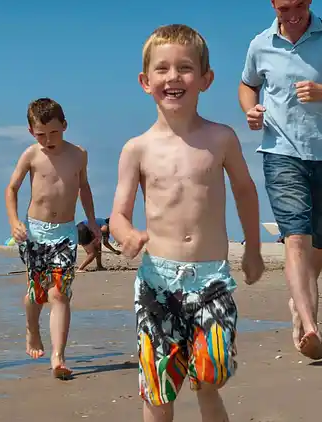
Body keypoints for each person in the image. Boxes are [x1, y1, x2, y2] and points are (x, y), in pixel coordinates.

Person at [109, 24, 264, 422]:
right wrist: (127, 234)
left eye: (185, 68)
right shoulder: (137, 149)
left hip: (211, 280)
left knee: (210, 377)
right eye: (162, 69)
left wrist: (253, 249)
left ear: (206, 79)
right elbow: (118, 215)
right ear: (145, 82)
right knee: (158, 389)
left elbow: (245, 191)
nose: (173, 77)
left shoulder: (221, 138)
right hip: (157, 283)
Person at [238, 0, 322, 360]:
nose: (293, 15)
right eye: (284, 8)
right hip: (280, 152)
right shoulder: (260, 44)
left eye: (299, 5)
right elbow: (247, 86)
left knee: (317, 244)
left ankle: (299, 309)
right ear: (273, 5)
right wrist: (250, 110)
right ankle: (311, 327)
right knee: (295, 238)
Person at [5, 97, 100, 379]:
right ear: (31, 132)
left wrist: (92, 221)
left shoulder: (78, 154)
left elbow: (84, 187)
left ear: (65, 126)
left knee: (59, 293)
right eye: (41, 134)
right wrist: (14, 222)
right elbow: (11, 189)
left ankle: (58, 357)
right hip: (35, 232)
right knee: (37, 293)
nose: (48, 140)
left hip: (65, 233)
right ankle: (32, 329)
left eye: (54, 133)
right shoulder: (31, 155)